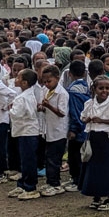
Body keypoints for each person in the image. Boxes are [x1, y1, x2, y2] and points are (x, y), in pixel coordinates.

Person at [81, 76, 109, 210]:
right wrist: (87, 119)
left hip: (107, 138)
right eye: (101, 88)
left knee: (108, 167)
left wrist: (101, 120)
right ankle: (96, 196)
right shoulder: (89, 103)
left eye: (107, 88)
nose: (104, 91)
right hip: (92, 137)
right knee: (93, 168)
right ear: (94, 89)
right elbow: (82, 117)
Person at [7, 69, 42, 201]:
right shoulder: (24, 95)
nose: (16, 78)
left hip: (27, 132)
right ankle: (22, 184)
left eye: (19, 77)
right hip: (24, 131)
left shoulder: (23, 97)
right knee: (24, 159)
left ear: (25, 82)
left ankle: (30, 187)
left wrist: (10, 109)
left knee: (28, 160)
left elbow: (17, 114)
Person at [36, 65, 69, 197]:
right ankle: (50, 181)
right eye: (44, 81)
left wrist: (48, 105)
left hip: (58, 131)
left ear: (57, 78)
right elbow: (43, 107)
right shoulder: (45, 90)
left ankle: (55, 184)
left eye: (49, 81)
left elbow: (62, 113)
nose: (47, 84)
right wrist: (41, 107)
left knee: (54, 159)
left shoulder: (62, 94)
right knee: (48, 157)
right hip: (48, 129)